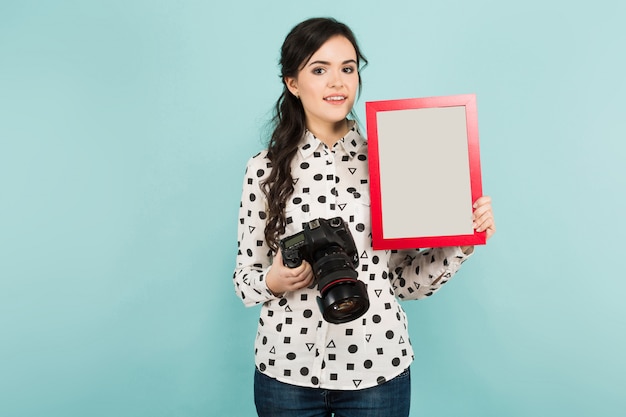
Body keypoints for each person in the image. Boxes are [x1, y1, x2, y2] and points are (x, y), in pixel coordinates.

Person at [233, 17, 496, 417]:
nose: (337, 82)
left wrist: (461, 240)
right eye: (319, 70)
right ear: (292, 82)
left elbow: (403, 282)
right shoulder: (264, 169)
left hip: (377, 365)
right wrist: (274, 279)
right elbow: (245, 280)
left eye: (348, 68)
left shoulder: (396, 159)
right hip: (285, 370)